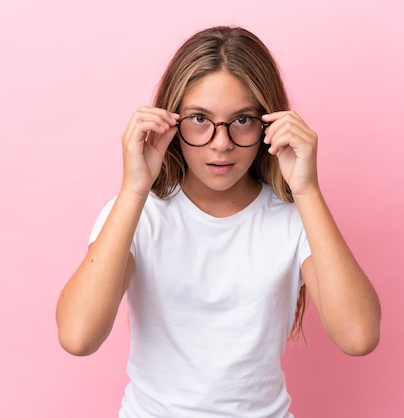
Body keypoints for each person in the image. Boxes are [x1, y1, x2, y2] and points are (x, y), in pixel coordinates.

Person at [56, 26, 381, 417]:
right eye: (199, 118)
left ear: (268, 123)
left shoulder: (294, 219)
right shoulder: (138, 213)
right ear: (171, 123)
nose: (221, 142)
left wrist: (307, 190)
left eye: (242, 119)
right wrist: (133, 190)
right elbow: (77, 336)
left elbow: (358, 336)